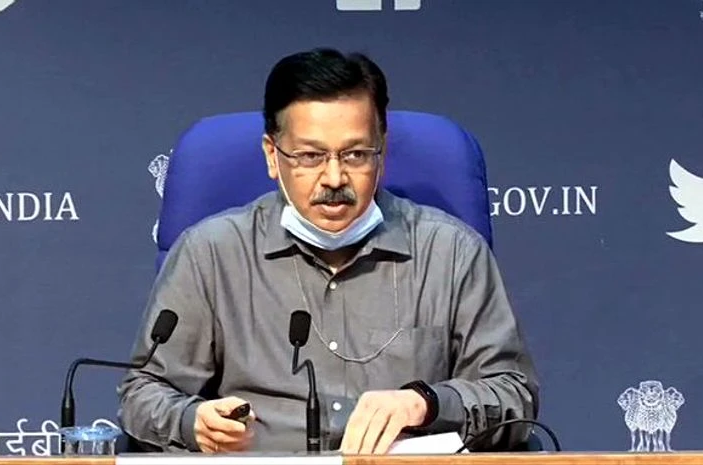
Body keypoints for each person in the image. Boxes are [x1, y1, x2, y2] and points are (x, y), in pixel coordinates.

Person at [118, 47, 538, 455]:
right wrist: (192, 422)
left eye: (355, 155)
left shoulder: (451, 253)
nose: (334, 178)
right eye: (310, 156)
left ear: (382, 152)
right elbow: (143, 393)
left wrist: (426, 402)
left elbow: (513, 395)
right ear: (272, 156)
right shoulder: (211, 254)